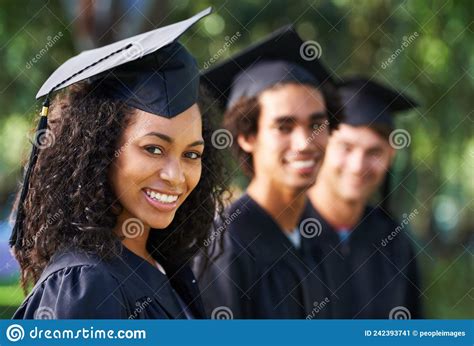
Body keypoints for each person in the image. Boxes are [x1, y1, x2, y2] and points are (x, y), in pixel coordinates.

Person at [11, 8, 228, 319]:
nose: (175, 175)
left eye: (191, 154)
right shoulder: (86, 285)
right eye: (153, 149)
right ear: (100, 150)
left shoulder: (162, 264)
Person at [195, 26, 343, 319]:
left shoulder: (321, 239)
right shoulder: (224, 245)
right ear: (247, 136)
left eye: (316, 125)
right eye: (284, 127)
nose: (305, 143)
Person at [307, 77, 422, 318]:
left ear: (391, 155)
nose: (358, 166)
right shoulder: (281, 232)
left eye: (374, 152)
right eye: (346, 148)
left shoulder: (395, 245)